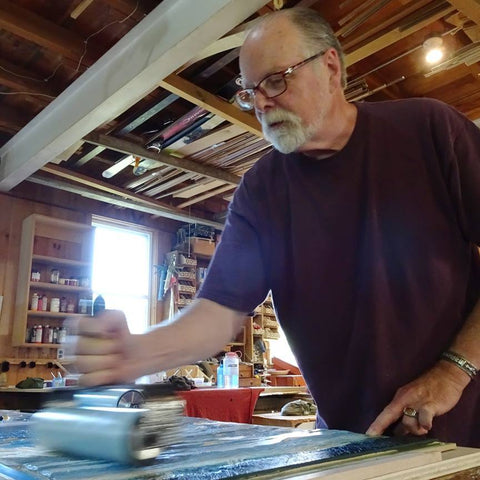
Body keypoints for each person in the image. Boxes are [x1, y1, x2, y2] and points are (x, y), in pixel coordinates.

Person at [68, 7, 480, 447]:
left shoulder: (430, 131)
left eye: (276, 81)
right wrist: (134, 352)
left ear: (330, 68)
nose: (261, 102)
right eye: (249, 92)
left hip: (465, 436)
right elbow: (218, 314)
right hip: (351, 445)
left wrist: (454, 372)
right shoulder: (261, 191)